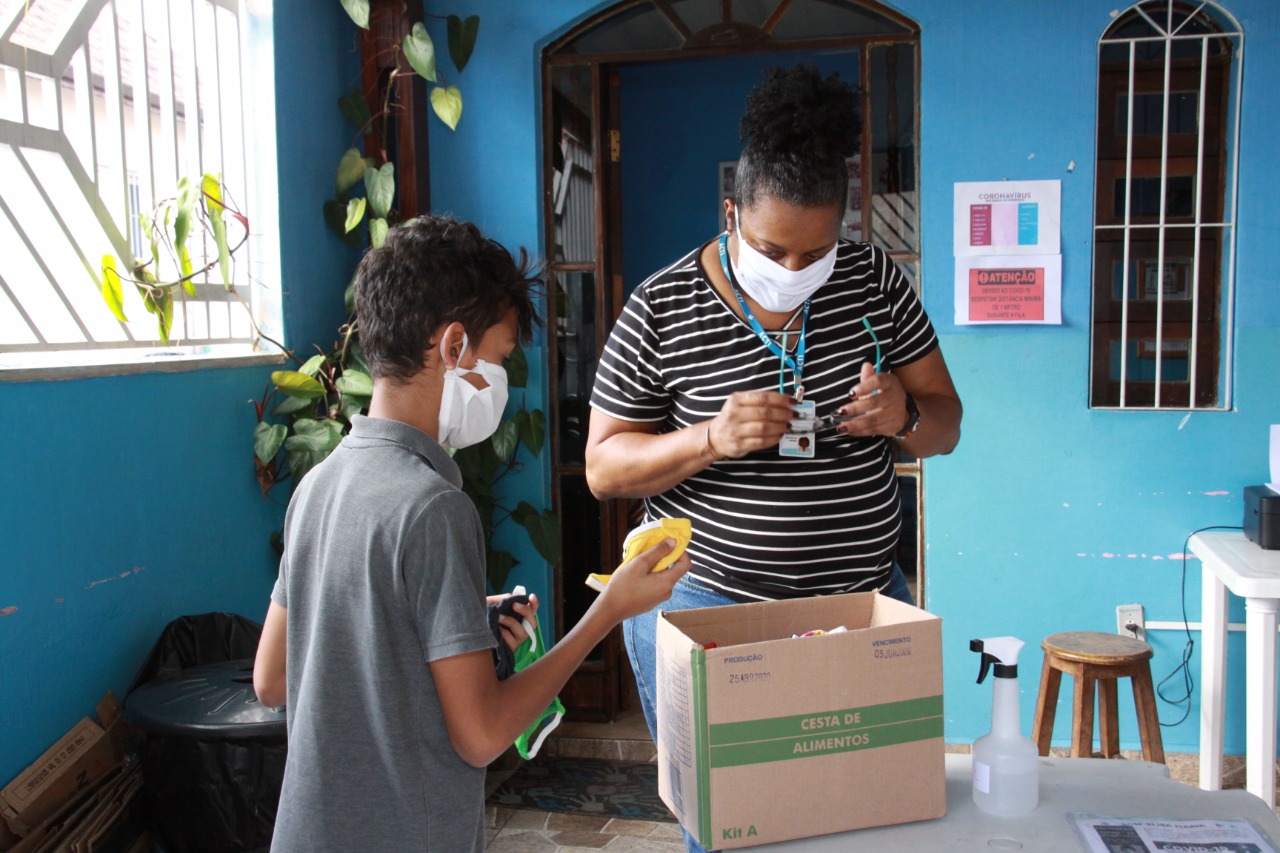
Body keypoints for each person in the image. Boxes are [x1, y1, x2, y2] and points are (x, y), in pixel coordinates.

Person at [586, 64, 962, 849]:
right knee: (732, 825)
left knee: (862, 817)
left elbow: (947, 425)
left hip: (859, 603)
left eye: (815, 250)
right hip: (708, 607)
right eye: (772, 248)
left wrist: (903, 413)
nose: (794, 271)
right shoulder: (661, 305)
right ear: (730, 211)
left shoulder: (872, 283)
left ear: (844, 228)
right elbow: (604, 468)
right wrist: (710, 438)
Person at [253, 214, 690, 852]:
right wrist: (607, 612)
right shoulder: (433, 506)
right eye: (503, 358)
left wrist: (448, 620)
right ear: (453, 346)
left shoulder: (318, 484)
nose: (503, 383)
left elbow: (272, 679)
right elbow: (483, 735)